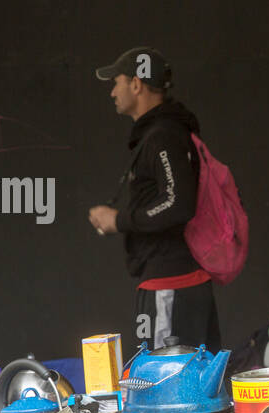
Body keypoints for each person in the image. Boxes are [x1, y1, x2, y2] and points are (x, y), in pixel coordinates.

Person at [89, 47, 221, 353]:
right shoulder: (162, 133)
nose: (112, 92)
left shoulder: (164, 135)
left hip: (172, 282)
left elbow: (178, 204)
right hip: (173, 282)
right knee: (192, 382)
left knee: (166, 383)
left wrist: (119, 220)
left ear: (136, 84)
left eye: (116, 82)